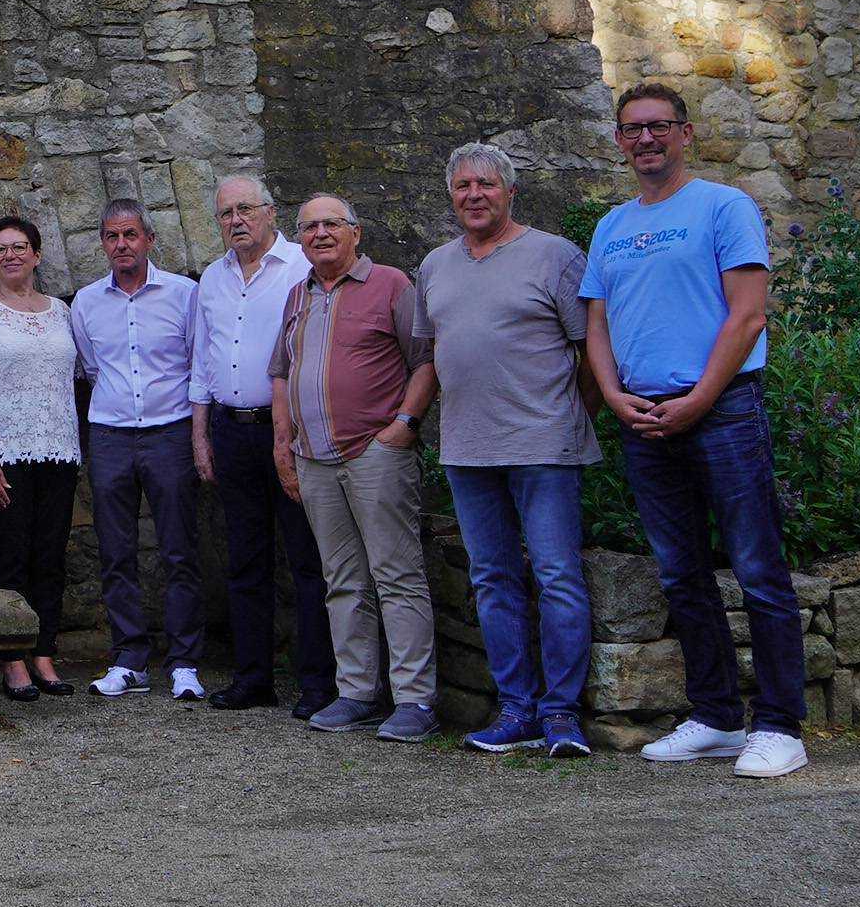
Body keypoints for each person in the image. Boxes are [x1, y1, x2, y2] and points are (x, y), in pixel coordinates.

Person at [580, 80, 803, 780]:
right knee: (681, 574)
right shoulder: (611, 227)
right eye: (632, 129)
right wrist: (613, 395)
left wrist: (700, 399)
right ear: (620, 142)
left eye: (658, 126)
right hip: (645, 417)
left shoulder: (723, 206)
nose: (645, 139)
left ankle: (780, 726)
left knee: (757, 569)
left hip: (723, 410)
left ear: (685, 133)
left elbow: (748, 315)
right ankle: (716, 717)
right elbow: (597, 323)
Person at [420, 144, 600, 761]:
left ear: (510, 192)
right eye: (463, 186)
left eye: (487, 184)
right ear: (451, 195)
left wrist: (571, 418)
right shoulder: (435, 266)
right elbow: (431, 352)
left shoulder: (555, 256)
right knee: (492, 580)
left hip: (544, 446)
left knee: (556, 577)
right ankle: (516, 709)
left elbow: (592, 351)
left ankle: (562, 714)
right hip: (467, 448)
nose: (474, 195)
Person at [271, 194, 440, 743]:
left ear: (356, 232)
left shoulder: (391, 285)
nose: (320, 233)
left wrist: (404, 426)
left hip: (375, 453)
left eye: (331, 224)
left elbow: (425, 360)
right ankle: (358, 692)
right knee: (342, 580)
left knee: (397, 576)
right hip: (314, 459)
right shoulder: (298, 295)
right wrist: (284, 445)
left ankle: (415, 699)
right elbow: (283, 373)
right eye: (309, 227)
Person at [190, 175, 328, 717]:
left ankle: (318, 683)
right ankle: (253, 678)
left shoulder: (301, 267)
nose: (236, 221)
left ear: (271, 212)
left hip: (291, 430)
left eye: (245, 209)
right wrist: (201, 435)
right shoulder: (212, 277)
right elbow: (203, 360)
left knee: (308, 559)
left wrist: (290, 435)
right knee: (244, 559)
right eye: (226, 213)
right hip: (231, 430)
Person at [67, 200, 206, 704]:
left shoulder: (184, 294)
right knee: (116, 550)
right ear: (103, 244)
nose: (121, 244)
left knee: (179, 548)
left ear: (149, 239)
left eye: (130, 234)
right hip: (110, 434)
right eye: (112, 236)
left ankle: (185, 662)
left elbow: (197, 363)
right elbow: (91, 369)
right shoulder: (86, 303)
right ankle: (129, 659)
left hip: (171, 430)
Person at [0, 216, 81, 701]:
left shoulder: (61, 312)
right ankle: (11, 659)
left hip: (59, 450)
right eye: (0, 249)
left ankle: (44, 653)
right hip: (5, 453)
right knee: (10, 555)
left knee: (50, 556)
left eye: (19, 246)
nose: (10, 255)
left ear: (37, 255)